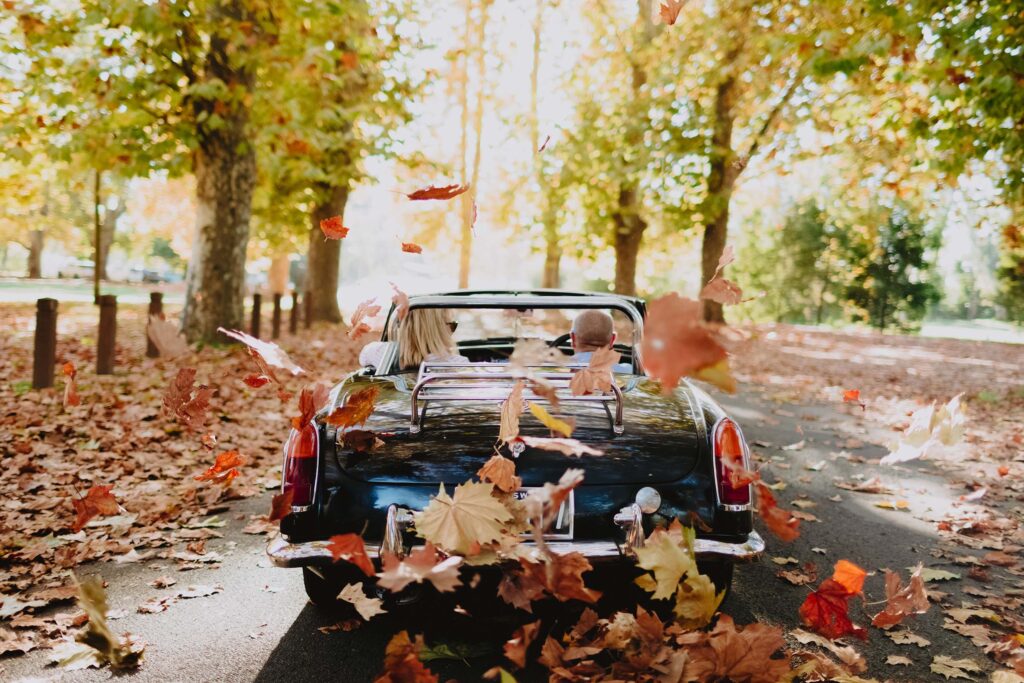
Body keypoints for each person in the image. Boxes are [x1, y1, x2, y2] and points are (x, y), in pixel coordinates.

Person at [359, 308, 467, 370]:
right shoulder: (459, 363)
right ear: (438, 331)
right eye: (452, 325)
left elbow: (364, 355)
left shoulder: (383, 355)